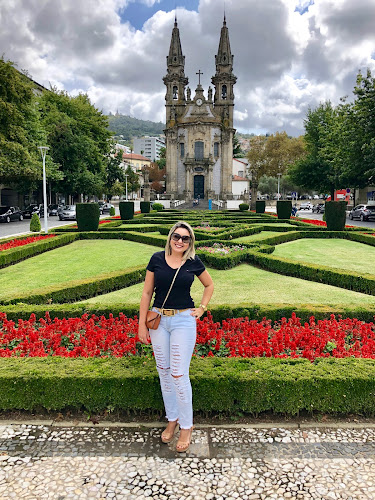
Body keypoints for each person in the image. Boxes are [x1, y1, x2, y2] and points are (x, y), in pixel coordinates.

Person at [138, 221, 214, 452]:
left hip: (183, 320)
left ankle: (187, 426)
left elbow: (209, 285)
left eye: (185, 238)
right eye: (177, 236)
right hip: (158, 321)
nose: (180, 241)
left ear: (190, 241)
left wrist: (202, 308)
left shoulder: (193, 262)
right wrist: (142, 325)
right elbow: (147, 292)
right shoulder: (156, 259)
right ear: (170, 237)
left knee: (179, 373)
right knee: (164, 372)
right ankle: (172, 419)